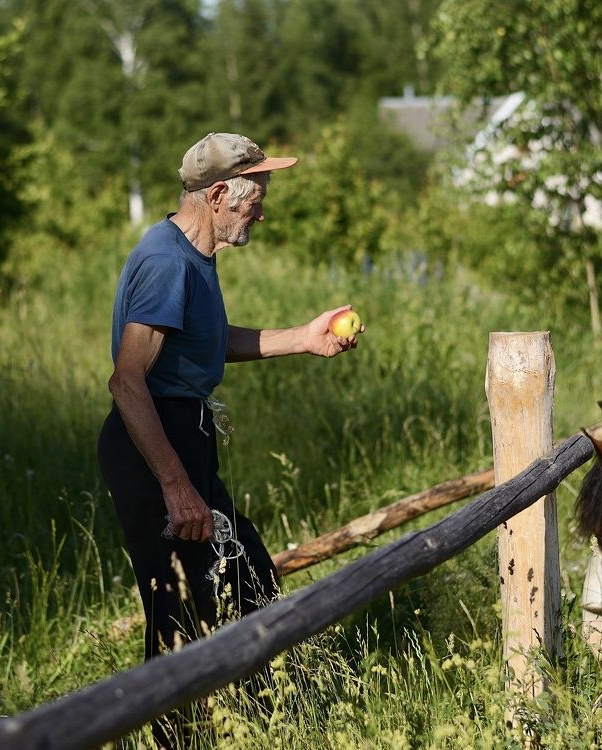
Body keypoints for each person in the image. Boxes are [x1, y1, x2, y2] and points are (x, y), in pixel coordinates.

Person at [97, 132, 360, 665]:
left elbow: (209, 341)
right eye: (254, 202)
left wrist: (303, 339)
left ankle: (261, 716)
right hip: (153, 444)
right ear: (218, 196)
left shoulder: (192, 255)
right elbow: (127, 381)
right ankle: (181, 735)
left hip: (181, 438)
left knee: (246, 580)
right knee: (176, 612)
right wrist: (176, 486)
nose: (260, 215)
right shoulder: (168, 263)